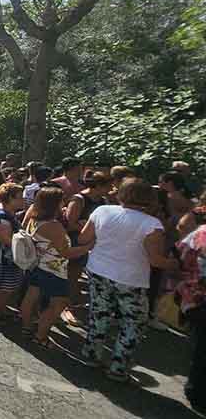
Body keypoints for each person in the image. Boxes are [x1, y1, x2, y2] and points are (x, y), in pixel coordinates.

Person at [79, 179, 180, 381]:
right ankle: (118, 366)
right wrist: (176, 263)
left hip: (98, 270)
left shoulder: (103, 211)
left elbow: (83, 239)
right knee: (132, 322)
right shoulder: (152, 225)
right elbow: (155, 260)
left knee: (99, 313)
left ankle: (91, 354)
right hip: (130, 279)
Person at [19, 186, 92, 347]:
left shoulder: (32, 217)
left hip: (36, 266)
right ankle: (41, 336)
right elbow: (66, 252)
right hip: (53, 270)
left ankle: (26, 327)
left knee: (30, 298)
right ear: (55, 204)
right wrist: (89, 246)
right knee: (58, 303)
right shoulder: (53, 226)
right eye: (61, 201)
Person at [61, 171, 112, 324]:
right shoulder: (79, 199)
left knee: (79, 276)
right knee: (71, 275)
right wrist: (87, 228)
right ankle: (66, 308)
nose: (110, 189)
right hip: (75, 242)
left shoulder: (103, 200)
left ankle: (73, 304)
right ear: (98, 185)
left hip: (93, 243)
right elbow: (70, 223)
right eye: (108, 186)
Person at [0, 183, 25, 327]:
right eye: (20, 198)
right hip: (2, 256)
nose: (23, 200)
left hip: (6, 254)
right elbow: (6, 240)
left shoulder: (7, 211)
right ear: (9, 198)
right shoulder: (1, 215)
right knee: (0, 285)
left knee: (3, 285)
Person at [176, 224, 206, 413]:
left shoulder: (203, 231)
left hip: (195, 297)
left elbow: (181, 254)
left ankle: (197, 392)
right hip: (199, 298)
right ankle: (197, 393)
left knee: (201, 349)